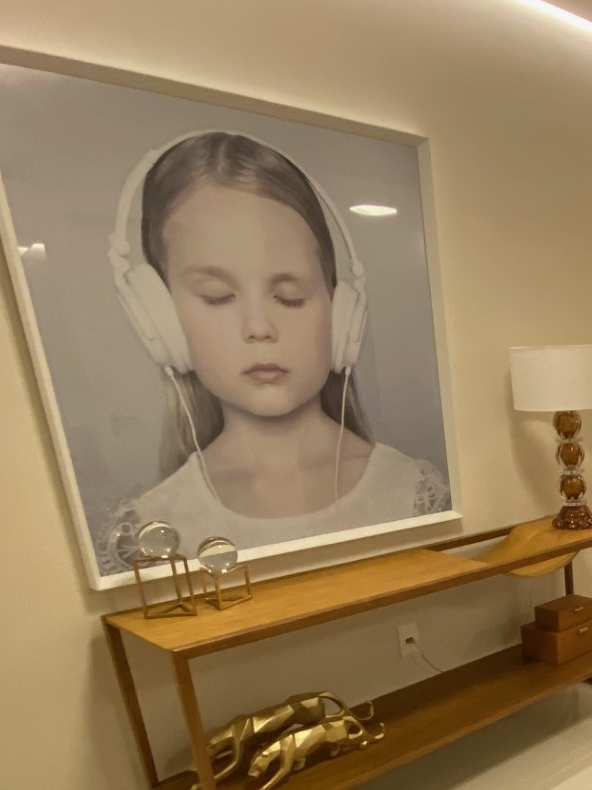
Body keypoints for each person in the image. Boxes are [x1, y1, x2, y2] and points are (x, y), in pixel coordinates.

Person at [104, 131, 447, 570]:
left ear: (341, 312)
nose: (259, 328)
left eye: (289, 298)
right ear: (160, 318)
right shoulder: (156, 527)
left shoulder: (409, 490)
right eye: (217, 297)